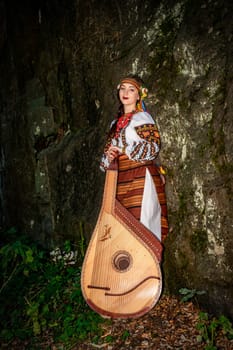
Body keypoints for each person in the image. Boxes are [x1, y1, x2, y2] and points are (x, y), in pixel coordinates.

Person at [100, 75, 168, 243]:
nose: (126, 92)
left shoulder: (143, 118)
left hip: (140, 177)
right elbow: (105, 160)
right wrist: (109, 157)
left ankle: (149, 266)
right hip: (120, 180)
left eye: (131, 90)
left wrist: (125, 149)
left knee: (143, 223)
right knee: (124, 228)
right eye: (123, 88)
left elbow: (153, 147)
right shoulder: (114, 124)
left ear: (138, 95)